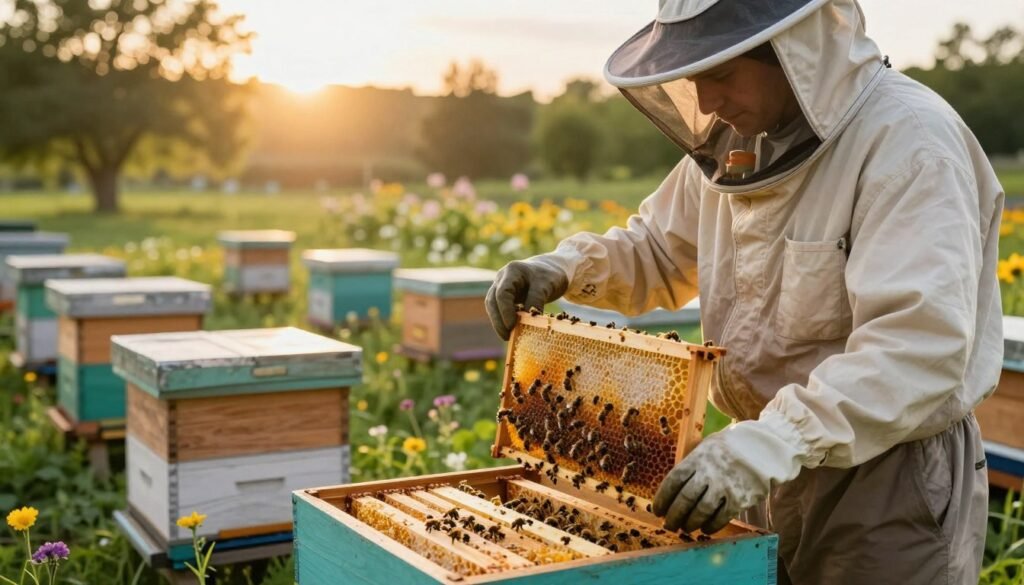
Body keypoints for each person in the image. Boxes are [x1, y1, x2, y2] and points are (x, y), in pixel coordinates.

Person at [484, 1, 1004, 583]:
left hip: (886, 479)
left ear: (795, 51)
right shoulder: (740, 142)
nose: (706, 102)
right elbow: (659, 248)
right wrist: (564, 267)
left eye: (722, 75)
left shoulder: (909, 144)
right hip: (761, 464)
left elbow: (915, 347)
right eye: (694, 77)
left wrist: (767, 445)